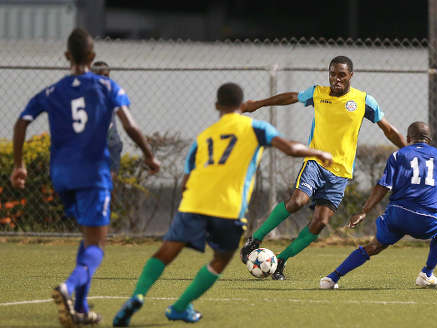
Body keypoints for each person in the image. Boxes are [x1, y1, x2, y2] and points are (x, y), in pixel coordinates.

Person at [112, 82, 333, 326]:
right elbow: (290, 148)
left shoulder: (204, 136)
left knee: (166, 252)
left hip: (193, 204)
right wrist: (319, 154)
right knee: (220, 259)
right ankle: (180, 306)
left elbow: (186, 182)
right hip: (228, 208)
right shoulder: (256, 128)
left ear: (217, 106)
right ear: (243, 105)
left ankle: (137, 295)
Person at [10, 28, 160, 327]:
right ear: (92, 56)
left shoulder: (52, 91)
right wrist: (148, 154)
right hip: (93, 173)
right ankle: (67, 288)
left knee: (88, 237)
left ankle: (78, 309)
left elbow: (22, 122)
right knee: (97, 245)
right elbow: (129, 125)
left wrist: (19, 164)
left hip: (62, 175)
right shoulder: (106, 86)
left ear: (67, 56)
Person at [240, 55, 407, 280]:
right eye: (332, 74)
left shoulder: (364, 101)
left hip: (340, 174)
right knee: (298, 200)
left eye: (341, 75)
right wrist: (259, 103)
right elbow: (292, 97)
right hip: (316, 163)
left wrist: (409, 149)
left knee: (320, 223)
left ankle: (280, 261)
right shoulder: (318, 93)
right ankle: (255, 239)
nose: (335, 79)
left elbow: (387, 129)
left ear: (350, 76)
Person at [319, 122, 437, 289]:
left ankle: (331, 278)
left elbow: (383, 186)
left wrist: (364, 211)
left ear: (408, 138)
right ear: (429, 139)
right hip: (425, 219)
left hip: (397, 215)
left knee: (374, 246)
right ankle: (426, 274)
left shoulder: (399, 155)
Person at [91, 61, 123, 178]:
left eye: (107, 76)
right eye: (101, 75)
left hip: (111, 141)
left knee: (110, 179)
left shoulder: (113, 93)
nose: (104, 79)